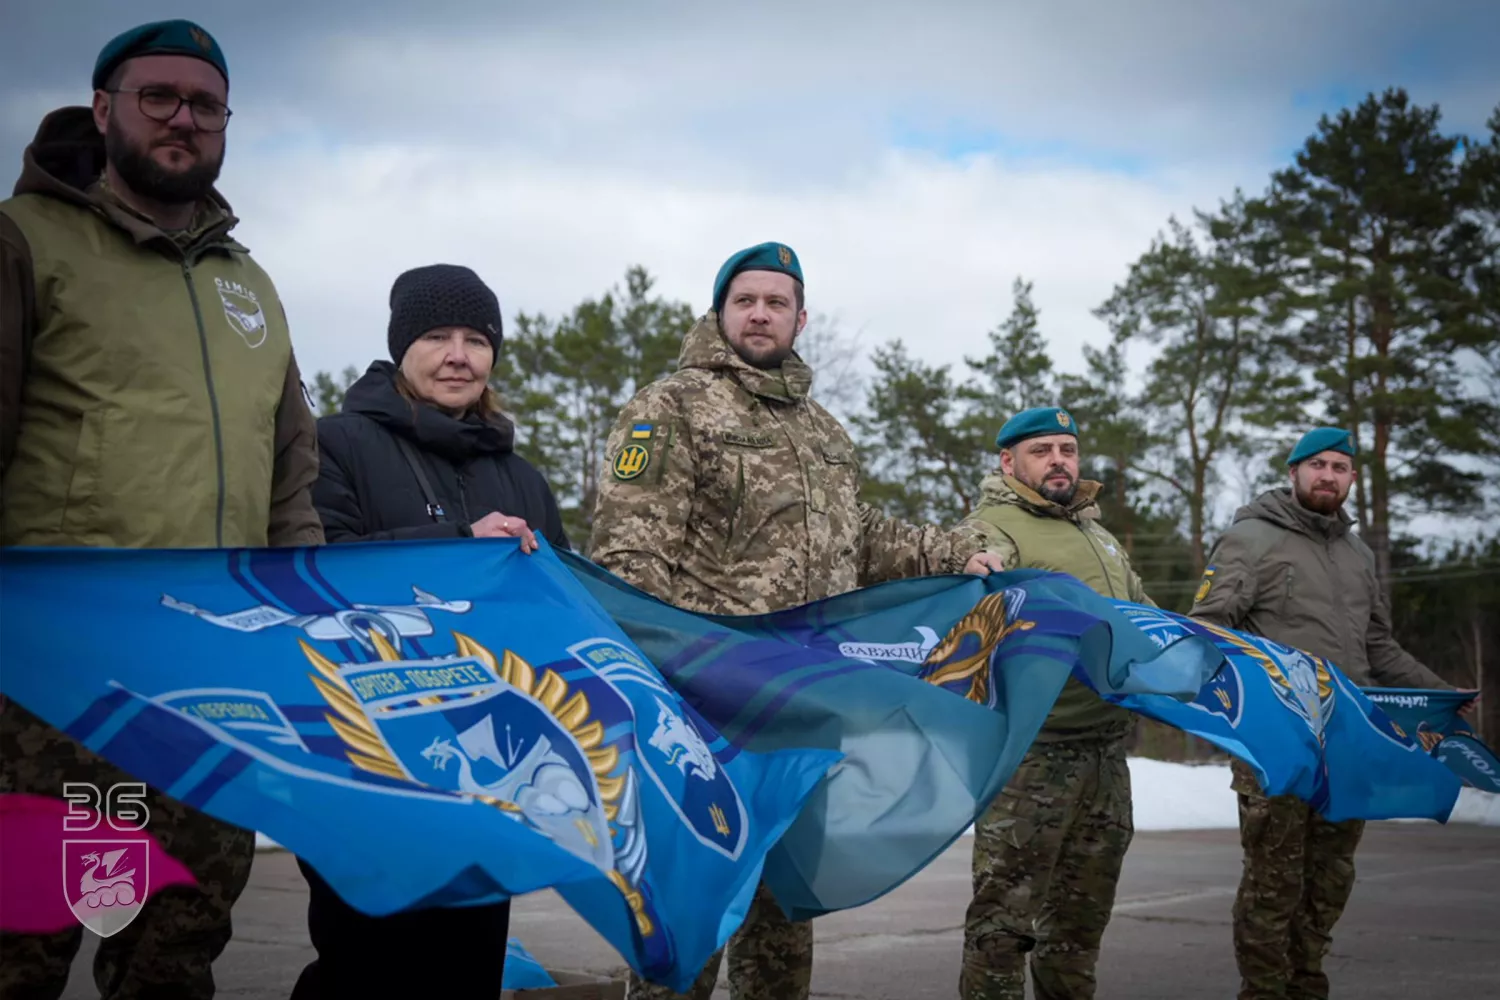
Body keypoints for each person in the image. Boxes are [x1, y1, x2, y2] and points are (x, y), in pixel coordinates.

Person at [0, 19, 323, 1000]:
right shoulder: (24, 242)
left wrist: (299, 634)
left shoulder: (251, 288)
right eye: (160, 97)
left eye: (207, 104)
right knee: (25, 938)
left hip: (215, 679)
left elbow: (291, 483)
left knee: (176, 951)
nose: (185, 118)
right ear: (104, 110)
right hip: (57, 684)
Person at [588, 241, 1004, 1000]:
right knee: (694, 905)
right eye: (744, 299)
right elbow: (629, 552)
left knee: (782, 920)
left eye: (775, 302)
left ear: (800, 318)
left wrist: (953, 551)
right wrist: (644, 684)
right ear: (720, 311)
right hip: (708, 706)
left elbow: (860, 534)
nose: (759, 313)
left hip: (807, 704)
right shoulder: (671, 405)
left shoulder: (825, 431)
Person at [291, 262, 568, 999]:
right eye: (438, 336)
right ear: (401, 346)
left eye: (476, 339)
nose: (458, 354)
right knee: (364, 967)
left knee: (467, 968)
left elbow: (563, 609)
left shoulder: (523, 477)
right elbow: (317, 573)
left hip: (485, 768)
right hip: (364, 757)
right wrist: (455, 544)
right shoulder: (335, 445)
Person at [1188, 426, 1478, 1000]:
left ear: (1351, 478)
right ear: (1293, 472)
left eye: (1340, 467)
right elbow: (1208, 629)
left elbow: (1379, 648)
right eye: (1316, 464)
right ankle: (1264, 992)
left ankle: (1307, 985)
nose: (1328, 475)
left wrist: (1442, 693)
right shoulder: (1252, 538)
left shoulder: (1358, 553)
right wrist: (1262, 698)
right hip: (1279, 743)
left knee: (1330, 879)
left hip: (1348, 744)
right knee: (1274, 884)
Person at [954, 407, 1155, 1000]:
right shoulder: (994, 528)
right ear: (1008, 461)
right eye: (1042, 450)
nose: (1059, 460)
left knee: (1078, 928)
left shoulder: (1099, 536)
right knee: (1003, 927)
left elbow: (1143, 619)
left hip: (1105, 759)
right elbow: (973, 609)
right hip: (1032, 759)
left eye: (1067, 448)